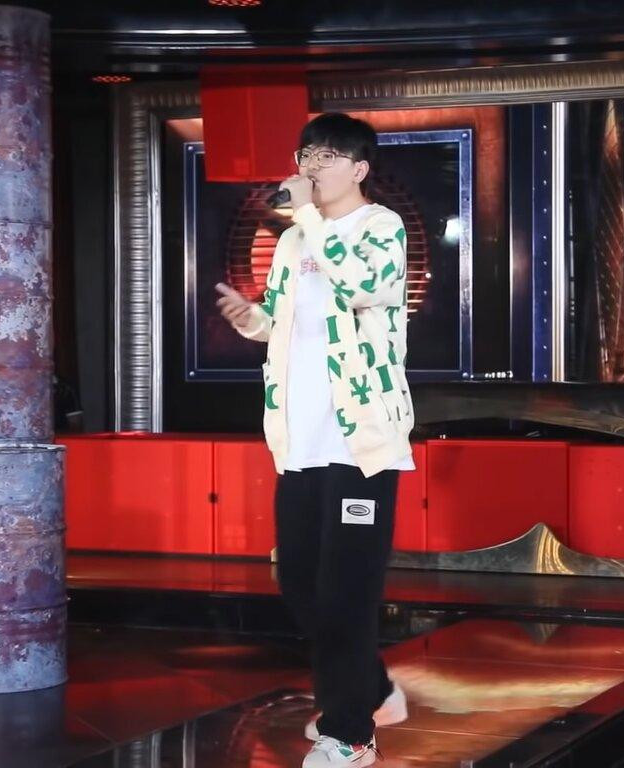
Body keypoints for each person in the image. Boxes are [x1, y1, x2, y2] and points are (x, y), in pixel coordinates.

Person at [215, 112, 415, 767]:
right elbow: (281, 320)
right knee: (299, 582)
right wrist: (251, 319)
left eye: (326, 157)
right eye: (306, 155)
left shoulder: (380, 227)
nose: (310, 167)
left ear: (359, 169)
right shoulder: (295, 241)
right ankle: (374, 691)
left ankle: (350, 734)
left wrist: (306, 216)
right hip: (298, 439)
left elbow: (365, 287)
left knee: (347, 593)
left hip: (359, 440)